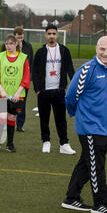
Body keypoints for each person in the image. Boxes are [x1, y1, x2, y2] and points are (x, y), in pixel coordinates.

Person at [61, 36, 107, 213]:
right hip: (89, 126)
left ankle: (71, 198)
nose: (105, 53)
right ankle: (101, 203)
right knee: (97, 166)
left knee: (88, 163)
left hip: (105, 126)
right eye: (102, 49)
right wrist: (78, 116)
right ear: (96, 48)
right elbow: (71, 96)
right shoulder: (87, 70)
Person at [32, 24, 76, 154]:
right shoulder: (40, 52)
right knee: (44, 119)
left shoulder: (64, 50)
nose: (51, 36)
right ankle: (46, 142)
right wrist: (37, 89)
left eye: (54, 34)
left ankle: (64, 144)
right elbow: (34, 72)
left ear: (57, 35)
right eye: (49, 34)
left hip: (59, 91)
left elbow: (70, 69)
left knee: (61, 119)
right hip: (44, 91)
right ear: (46, 35)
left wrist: (72, 87)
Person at [0, 34, 30, 152]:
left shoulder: (23, 58)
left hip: (17, 95)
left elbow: (26, 78)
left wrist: (18, 93)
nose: (8, 46)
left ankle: (10, 144)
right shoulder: (0, 57)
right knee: (2, 116)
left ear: (16, 44)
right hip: (2, 93)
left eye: (11, 43)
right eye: (6, 43)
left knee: (12, 117)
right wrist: (2, 91)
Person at [1, 26, 34, 132]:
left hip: (23, 81)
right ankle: (5, 123)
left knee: (21, 104)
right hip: (9, 80)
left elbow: (31, 63)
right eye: (18, 37)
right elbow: (2, 61)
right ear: (14, 36)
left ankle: (20, 125)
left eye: (21, 37)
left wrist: (29, 77)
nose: (20, 39)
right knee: (6, 102)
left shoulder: (28, 46)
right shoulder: (5, 46)